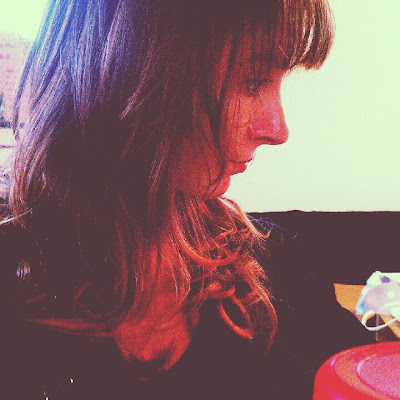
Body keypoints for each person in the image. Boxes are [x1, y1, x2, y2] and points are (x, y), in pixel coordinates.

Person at [1, 0, 375, 399]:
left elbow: (365, 373)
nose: (278, 129)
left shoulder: (273, 267)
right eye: (252, 81)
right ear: (132, 68)